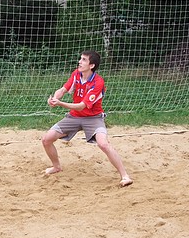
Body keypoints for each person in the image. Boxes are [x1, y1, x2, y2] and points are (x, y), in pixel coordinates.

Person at [42, 50, 133, 187]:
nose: (80, 62)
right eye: (80, 59)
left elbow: (81, 106)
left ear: (92, 65)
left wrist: (60, 103)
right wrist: (55, 98)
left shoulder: (98, 82)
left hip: (93, 118)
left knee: (103, 144)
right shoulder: (76, 74)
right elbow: (62, 90)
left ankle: (125, 176)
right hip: (74, 117)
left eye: (84, 60)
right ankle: (56, 167)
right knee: (46, 139)